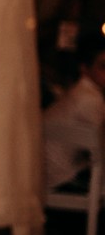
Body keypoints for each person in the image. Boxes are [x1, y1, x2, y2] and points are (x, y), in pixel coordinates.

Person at [44, 30, 105, 190]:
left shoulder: (80, 91)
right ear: (84, 69)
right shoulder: (89, 98)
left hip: (51, 173)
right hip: (62, 178)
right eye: (103, 66)